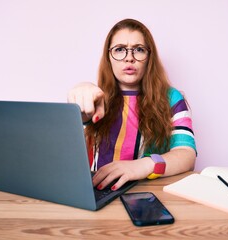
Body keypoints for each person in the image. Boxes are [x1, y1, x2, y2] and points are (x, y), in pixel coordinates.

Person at [67, 18, 197, 192]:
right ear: (108, 57)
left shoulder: (171, 98)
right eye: (120, 50)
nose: (129, 58)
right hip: (98, 192)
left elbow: (187, 155)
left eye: (139, 50)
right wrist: (80, 104)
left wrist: (142, 166)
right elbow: (68, 159)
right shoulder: (95, 97)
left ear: (149, 57)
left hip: (149, 193)